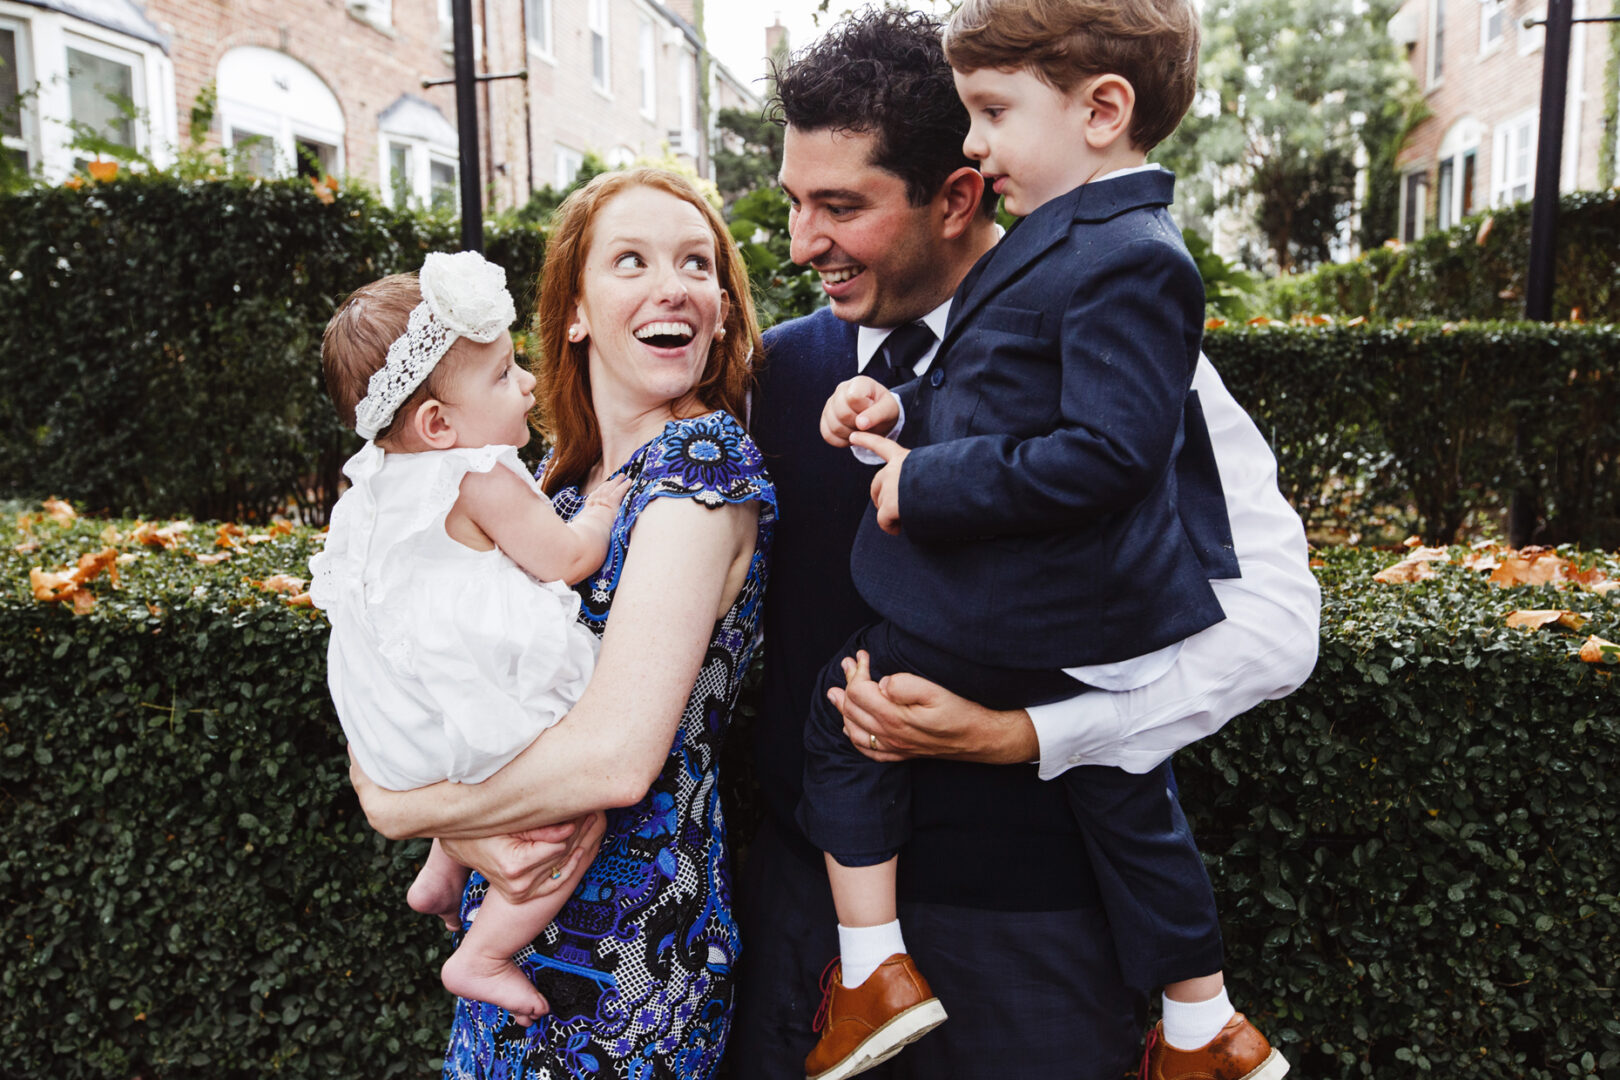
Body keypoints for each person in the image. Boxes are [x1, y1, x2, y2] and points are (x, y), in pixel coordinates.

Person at [733, 8, 1319, 1080]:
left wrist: (1029, 736)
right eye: (793, 203)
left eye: (840, 206)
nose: (800, 243)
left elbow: (1281, 632)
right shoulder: (771, 377)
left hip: (1028, 936)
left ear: (961, 191)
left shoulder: (1140, 352)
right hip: (805, 919)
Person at [345, 167, 775, 1078]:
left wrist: (406, 808)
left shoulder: (699, 466)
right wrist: (452, 829)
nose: (674, 286)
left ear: (724, 309)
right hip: (528, 916)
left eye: (697, 263)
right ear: (574, 311)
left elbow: (616, 760)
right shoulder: (559, 487)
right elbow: (408, 653)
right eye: (632, 260)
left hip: (629, 952)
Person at [311, 251, 631, 1025]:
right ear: (438, 424)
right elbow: (567, 561)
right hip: (463, 700)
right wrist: (597, 509)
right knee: (565, 815)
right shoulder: (479, 472)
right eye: (501, 374)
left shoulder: (374, 484)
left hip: (393, 723)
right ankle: (483, 954)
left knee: (471, 726)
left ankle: (438, 871)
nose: (525, 382)